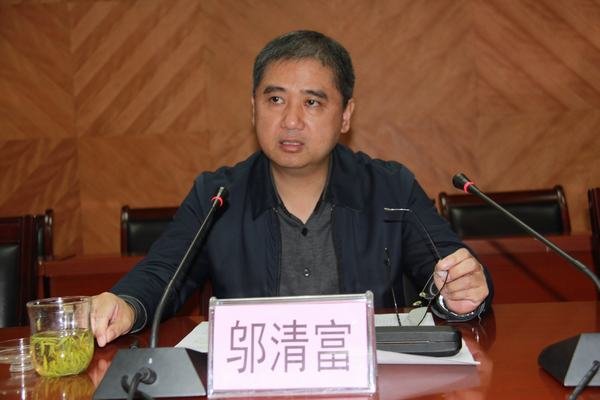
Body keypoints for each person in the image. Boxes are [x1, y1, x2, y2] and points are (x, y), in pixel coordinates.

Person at [92, 30, 492, 347]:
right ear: (254, 109)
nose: (291, 121)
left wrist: (463, 291)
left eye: (312, 103)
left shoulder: (390, 188)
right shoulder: (217, 196)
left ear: (346, 115)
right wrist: (126, 304)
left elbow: (451, 266)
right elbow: (163, 273)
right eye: (275, 99)